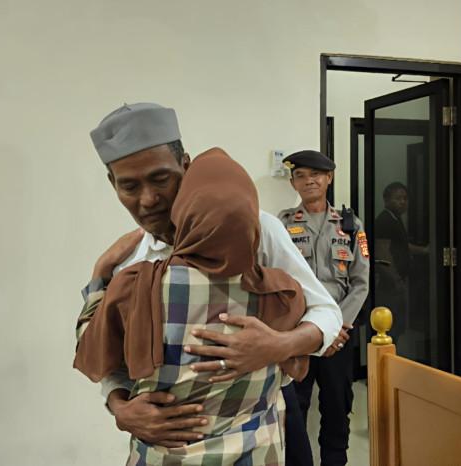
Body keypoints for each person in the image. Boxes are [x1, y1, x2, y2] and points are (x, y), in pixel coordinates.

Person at [75, 102, 346, 464]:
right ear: (113, 185)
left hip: (254, 429)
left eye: (160, 179)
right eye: (129, 186)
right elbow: (104, 349)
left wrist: (278, 345)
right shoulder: (133, 261)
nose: (148, 199)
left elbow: (326, 313)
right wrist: (119, 406)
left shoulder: (254, 229)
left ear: (185, 166)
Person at [277, 150, 369, 466]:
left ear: (328, 178)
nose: (309, 181)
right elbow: (276, 278)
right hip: (297, 333)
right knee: (293, 409)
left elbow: (360, 283)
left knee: (336, 408)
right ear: (293, 183)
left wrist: (336, 329)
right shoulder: (282, 224)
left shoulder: (350, 225)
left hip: (339, 337)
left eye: (315, 175)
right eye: (300, 176)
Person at [373, 182, 427, 341]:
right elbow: (382, 253)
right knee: (389, 327)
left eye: (405, 198)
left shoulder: (395, 219)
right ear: (386, 200)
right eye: (398, 198)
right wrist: (396, 280)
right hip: (389, 284)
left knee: (397, 326)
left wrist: (424, 251)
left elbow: (402, 245)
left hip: (397, 282)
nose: (402, 202)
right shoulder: (385, 220)